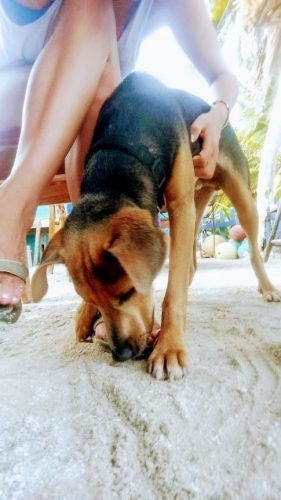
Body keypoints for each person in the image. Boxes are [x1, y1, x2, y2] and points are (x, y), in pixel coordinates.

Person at [0, 0, 238, 322]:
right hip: (15, 120)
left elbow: (222, 74)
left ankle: (101, 281)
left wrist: (217, 115)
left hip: (92, 142)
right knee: (90, 8)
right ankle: (13, 210)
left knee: (107, 88)